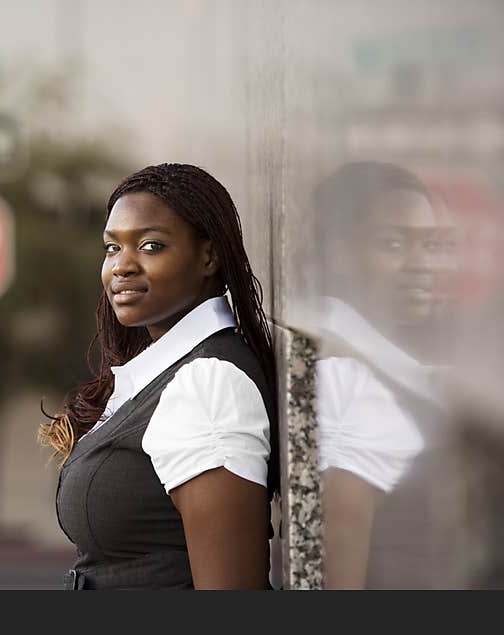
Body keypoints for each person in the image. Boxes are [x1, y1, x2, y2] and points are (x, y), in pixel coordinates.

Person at [39, 163, 278, 590]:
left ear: (209, 256)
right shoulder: (163, 373)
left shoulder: (208, 385)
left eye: (151, 246)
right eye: (112, 248)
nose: (122, 267)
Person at [306, 161, 455, 588]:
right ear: (337, 251)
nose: (422, 264)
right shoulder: (349, 381)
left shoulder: (382, 370)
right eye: (392, 244)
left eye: (432, 246)